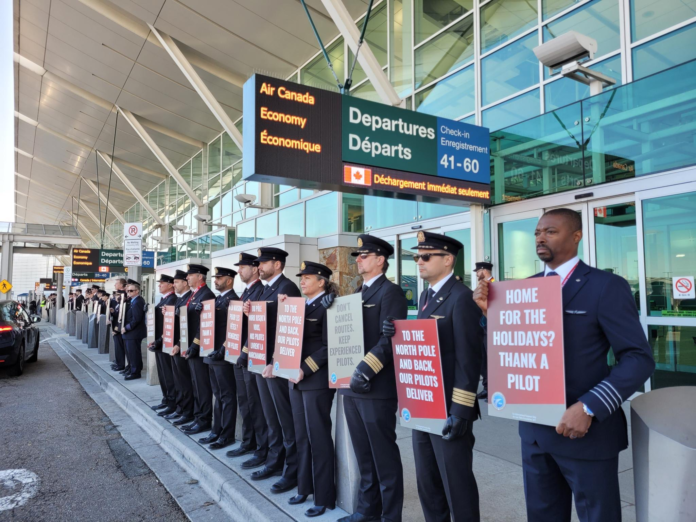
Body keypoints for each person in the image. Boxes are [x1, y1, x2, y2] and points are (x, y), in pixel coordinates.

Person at [473, 208, 655, 522]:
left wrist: (588, 407)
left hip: (586, 433)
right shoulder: (522, 290)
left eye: (551, 231)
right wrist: (491, 315)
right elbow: (513, 350)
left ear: (576, 236)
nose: (541, 238)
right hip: (534, 432)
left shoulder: (605, 286)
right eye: (537, 233)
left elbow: (638, 358)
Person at [383, 232, 483, 522]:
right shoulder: (427, 295)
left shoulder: (461, 298)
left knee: (457, 486)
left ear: (448, 259)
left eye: (426, 256)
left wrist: (461, 411)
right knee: (429, 484)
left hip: (449, 409)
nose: (419, 262)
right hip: (425, 405)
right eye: (417, 256)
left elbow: (469, 358)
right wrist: (396, 333)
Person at [323, 234, 408, 522]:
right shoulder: (358, 292)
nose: (358, 259)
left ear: (380, 260)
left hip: (375, 386)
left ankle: (390, 515)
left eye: (364, 255)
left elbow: (388, 343)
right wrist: (331, 308)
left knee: (383, 457)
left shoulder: (391, 292)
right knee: (364, 456)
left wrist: (364, 370)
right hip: (351, 387)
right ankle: (366, 510)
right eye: (357, 256)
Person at [244, 247, 301, 495]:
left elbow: (286, 331)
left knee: (285, 420)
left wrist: (273, 361)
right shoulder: (268, 289)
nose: (259, 267)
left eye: (264, 263)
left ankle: (292, 470)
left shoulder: (287, 288)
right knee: (271, 419)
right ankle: (275, 461)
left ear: (277, 264)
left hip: (276, 366)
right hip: (262, 362)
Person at [286, 261, 337, 518]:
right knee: (302, 435)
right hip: (294, 378)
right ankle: (304, 486)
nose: (302, 281)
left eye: (307, 278)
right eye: (301, 278)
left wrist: (305, 368)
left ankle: (324, 495)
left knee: (318, 437)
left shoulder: (329, 305)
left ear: (322, 281)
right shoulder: (300, 306)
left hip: (315, 379)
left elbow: (329, 346)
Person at [228, 253, 268, 469]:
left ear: (254, 269)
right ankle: (248, 441)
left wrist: (243, 351)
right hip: (240, 354)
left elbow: (258, 327)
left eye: (242, 267)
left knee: (255, 404)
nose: (239, 271)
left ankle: (260, 448)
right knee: (245, 401)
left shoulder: (260, 290)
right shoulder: (247, 291)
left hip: (253, 355)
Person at [200, 267, 240, 450]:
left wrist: (222, 350)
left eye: (219, 278)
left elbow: (234, 329)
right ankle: (216, 430)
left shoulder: (233, 300)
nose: (215, 281)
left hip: (223, 355)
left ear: (229, 280)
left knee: (227, 395)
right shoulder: (218, 299)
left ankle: (227, 434)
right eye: (215, 278)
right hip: (211, 353)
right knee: (218, 395)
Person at [180, 264, 216, 435]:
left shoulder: (206, 294)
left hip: (201, 348)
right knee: (195, 384)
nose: (187, 278)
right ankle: (197, 417)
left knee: (202, 386)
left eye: (190, 275)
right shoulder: (196, 294)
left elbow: (204, 324)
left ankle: (204, 420)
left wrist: (194, 345)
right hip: (192, 347)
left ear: (200, 276)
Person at [166, 270, 195, 426]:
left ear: (184, 283)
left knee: (185, 382)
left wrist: (178, 343)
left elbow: (188, 327)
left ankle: (187, 411)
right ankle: (181, 408)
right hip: (177, 345)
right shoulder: (180, 300)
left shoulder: (189, 298)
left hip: (183, 345)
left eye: (176, 282)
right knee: (179, 381)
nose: (174, 285)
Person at [148, 275, 179, 417]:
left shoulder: (172, 300)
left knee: (168, 375)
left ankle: (171, 402)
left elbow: (169, 325)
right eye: (159, 283)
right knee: (162, 375)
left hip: (167, 342)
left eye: (162, 283)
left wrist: (159, 340)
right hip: (160, 342)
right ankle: (166, 399)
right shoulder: (164, 299)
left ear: (170, 285)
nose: (159, 285)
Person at [474, 261, 493, 401]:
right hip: (481, 327)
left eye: (478, 271)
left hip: (491, 327)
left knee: (492, 360)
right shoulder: (479, 286)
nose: (476, 274)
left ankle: (493, 389)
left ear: (484, 271)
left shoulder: (493, 283)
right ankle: (487, 387)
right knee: (483, 360)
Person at [121, 279, 147, 380]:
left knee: (134, 353)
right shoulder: (132, 300)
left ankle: (135, 372)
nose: (128, 292)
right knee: (131, 352)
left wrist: (126, 328)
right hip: (131, 332)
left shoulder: (138, 301)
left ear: (137, 291)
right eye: (128, 290)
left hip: (134, 332)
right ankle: (132, 369)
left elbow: (136, 319)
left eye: (131, 291)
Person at [110, 279, 128, 373]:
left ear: (121, 286)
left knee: (120, 347)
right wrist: (112, 312)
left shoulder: (123, 299)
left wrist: (117, 329)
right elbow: (117, 313)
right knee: (117, 346)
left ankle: (121, 364)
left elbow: (122, 316)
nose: (114, 285)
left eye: (116, 283)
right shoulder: (117, 301)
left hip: (120, 328)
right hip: (116, 326)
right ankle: (118, 362)